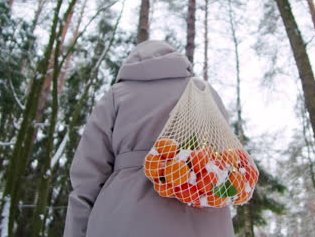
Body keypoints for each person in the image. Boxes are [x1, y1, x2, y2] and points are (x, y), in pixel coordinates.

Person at [63, 40, 235, 237]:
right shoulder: (203, 91)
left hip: (122, 216)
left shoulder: (116, 96)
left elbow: (88, 176)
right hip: (202, 216)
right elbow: (227, 157)